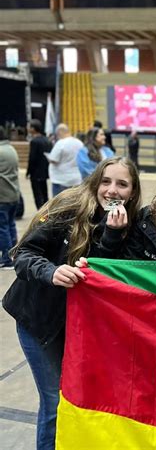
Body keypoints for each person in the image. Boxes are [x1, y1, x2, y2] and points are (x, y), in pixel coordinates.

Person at [2, 156, 141, 450]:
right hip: (39, 321)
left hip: (79, 326)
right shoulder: (68, 206)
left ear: (133, 192)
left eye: (122, 184)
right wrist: (51, 271)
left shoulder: (130, 225)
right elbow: (24, 255)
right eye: (106, 181)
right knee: (54, 400)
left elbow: (102, 276)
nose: (112, 191)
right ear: (95, 181)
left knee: (76, 398)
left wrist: (113, 235)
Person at [0, 126, 20, 269]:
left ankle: (7, 260)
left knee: (3, 228)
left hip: (3, 195)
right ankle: (14, 255)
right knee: (10, 225)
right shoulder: (10, 149)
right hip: (13, 194)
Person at [46, 123, 83, 196]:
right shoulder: (79, 143)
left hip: (61, 179)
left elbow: (54, 159)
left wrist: (48, 158)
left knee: (59, 205)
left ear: (60, 132)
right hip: (76, 179)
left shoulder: (61, 143)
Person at [26, 119, 52, 209]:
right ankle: (46, 215)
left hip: (36, 173)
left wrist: (28, 172)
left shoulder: (34, 141)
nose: (27, 128)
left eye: (29, 126)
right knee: (45, 195)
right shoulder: (47, 140)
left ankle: (41, 218)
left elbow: (32, 159)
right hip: (45, 172)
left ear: (33, 128)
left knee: (38, 196)